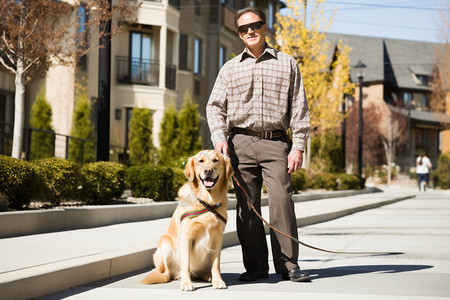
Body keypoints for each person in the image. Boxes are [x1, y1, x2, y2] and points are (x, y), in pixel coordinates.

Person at [206, 6, 311, 282]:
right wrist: (219, 137)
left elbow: (299, 107)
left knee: (281, 202)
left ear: (265, 27)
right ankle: (255, 266)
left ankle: (289, 265)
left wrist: (298, 145)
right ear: (239, 34)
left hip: (276, 142)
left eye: (255, 25)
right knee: (247, 207)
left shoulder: (287, 63)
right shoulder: (229, 69)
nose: (250, 31)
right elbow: (214, 106)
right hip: (239, 143)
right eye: (243, 28)